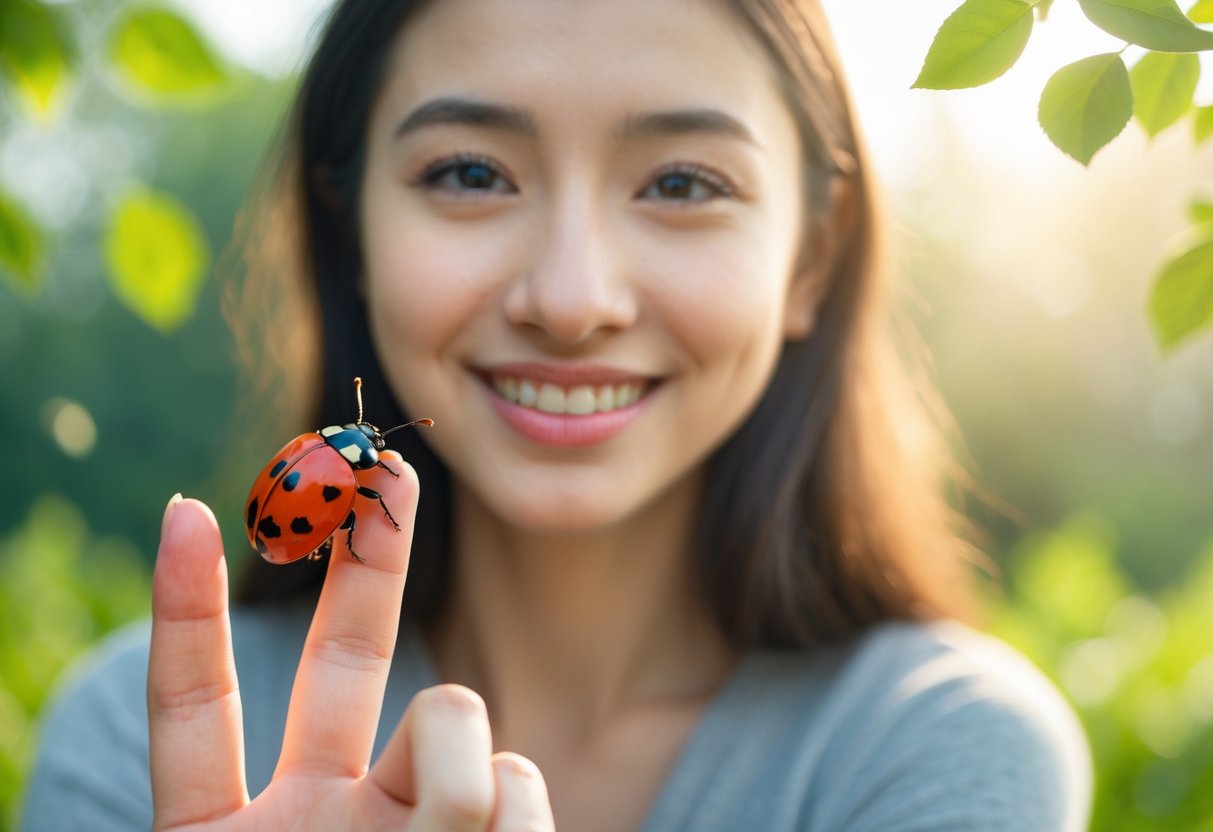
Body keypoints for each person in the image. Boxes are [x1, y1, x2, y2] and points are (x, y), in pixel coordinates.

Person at [21, 0, 1093, 829]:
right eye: (472, 171)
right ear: (350, 235)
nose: (573, 300)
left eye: (680, 184)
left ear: (810, 256)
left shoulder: (934, 751)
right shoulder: (138, 741)